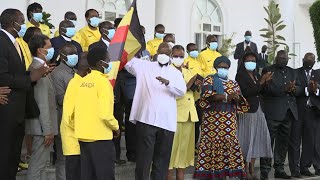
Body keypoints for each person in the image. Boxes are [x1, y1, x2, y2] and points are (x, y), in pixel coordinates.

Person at [125, 42, 186, 180]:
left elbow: (182, 91)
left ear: (171, 55)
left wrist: (168, 83)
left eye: (166, 53)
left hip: (166, 122)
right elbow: (126, 60)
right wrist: (130, 43)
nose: (163, 55)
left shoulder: (175, 73)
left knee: (162, 161)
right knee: (143, 160)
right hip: (146, 119)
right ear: (156, 52)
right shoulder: (144, 66)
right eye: (161, 52)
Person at [0, 8, 47, 180]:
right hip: (7, 108)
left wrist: (35, 75)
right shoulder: (2, 41)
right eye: (21, 20)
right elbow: (3, 76)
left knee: (12, 156)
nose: (23, 24)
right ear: (13, 23)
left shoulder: (16, 41)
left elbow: (17, 72)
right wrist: (30, 78)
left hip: (17, 109)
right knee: (5, 156)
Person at [194, 56, 247, 179]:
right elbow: (208, 96)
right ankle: (211, 173)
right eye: (220, 67)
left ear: (229, 68)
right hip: (212, 120)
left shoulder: (233, 83)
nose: (223, 69)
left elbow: (239, 99)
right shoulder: (209, 80)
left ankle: (224, 173)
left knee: (228, 144)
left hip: (229, 120)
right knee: (211, 145)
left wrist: (236, 98)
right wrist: (227, 97)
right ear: (216, 67)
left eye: (225, 67)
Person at [74, 47, 120, 180]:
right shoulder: (104, 83)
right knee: (104, 175)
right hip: (100, 138)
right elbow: (105, 114)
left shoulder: (82, 82)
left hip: (83, 136)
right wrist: (116, 127)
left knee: (88, 176)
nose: (110, 62)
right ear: (101, 63)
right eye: (108, 60)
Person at [260, 50, 299, 180]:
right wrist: (284, 89)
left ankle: (280, 169)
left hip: (288, 112)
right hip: (273, 112)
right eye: (281, 57)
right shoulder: (268, 69)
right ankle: (265, 170)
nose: (283, 59)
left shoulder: (292, 71)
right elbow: (266, 90)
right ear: (276, 58)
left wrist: (294, 89)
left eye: (285, 58)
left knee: (283, 143)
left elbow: (299, 87)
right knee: (268, 142)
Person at [235, 51, 273, 179]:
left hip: (259, 110)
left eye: (253, 60)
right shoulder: (240, 75)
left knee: (256, 140)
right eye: (248, 60)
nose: (251, 62)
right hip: (247, 111)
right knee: (246, 140)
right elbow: (246, 92)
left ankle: (252, 168)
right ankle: (244, 170)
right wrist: (261, 82)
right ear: (244, 62)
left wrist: (266, 82)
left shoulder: (257, 74)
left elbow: (262, 91)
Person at [26, 34, 58, 180]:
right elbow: (42, 103)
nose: (52, 50)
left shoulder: (42, 67)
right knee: (37, 165)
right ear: (40, 50)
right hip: (41, 127)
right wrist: (47, 130)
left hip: (43, 127)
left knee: (42, 165)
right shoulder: (38, 69)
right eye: (49, 47)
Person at [167, 45, 199, 180]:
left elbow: (195, 95)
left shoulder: (188, 71)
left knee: (184, 151)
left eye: (181, 56)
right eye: (176, 56)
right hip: (175, 114)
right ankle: (168, 176)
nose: (179, 58)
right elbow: (172, 93)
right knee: (171, 150)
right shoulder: (168, 71)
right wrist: (188, 85)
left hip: (190, 114)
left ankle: (181, 176)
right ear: (170, 56)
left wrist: (197, 87)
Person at [51, 43, 79, 180]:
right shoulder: (57, 74)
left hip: (78, 121)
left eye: (75, 53)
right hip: (64, 120)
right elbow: (61, 99)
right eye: (70, 54)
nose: (74, 56)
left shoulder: (76, 71)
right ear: (62, 57)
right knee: (63, 158)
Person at [289, 53, 320, 177]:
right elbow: (294, 89)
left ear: (314, 61)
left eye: (311, 60)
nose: (309, 62)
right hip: (297, 111)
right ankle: (295, 170)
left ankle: (305, 167)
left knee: (310, 141)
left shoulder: (318, 74)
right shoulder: (295, 72)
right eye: (306, 60)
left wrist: (316, 90)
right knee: (295, 142)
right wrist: (308, 89)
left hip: (312, 111)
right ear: (303, 60)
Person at [61, 52, 89, 180]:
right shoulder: (75, 83)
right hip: (74, 140)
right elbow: (69, 115)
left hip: (81, 139)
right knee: (74, 174)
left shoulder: (83, 82)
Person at [184, 43, 206, 152]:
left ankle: (194, 146)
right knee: (189, 123)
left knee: (198, 123)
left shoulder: (199, 63)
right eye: (192, 50)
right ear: (187, 51)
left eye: (196, 49)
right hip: (188, 97)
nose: (195, 51)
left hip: (199, 97)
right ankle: (187, 146)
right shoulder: (185, 62)